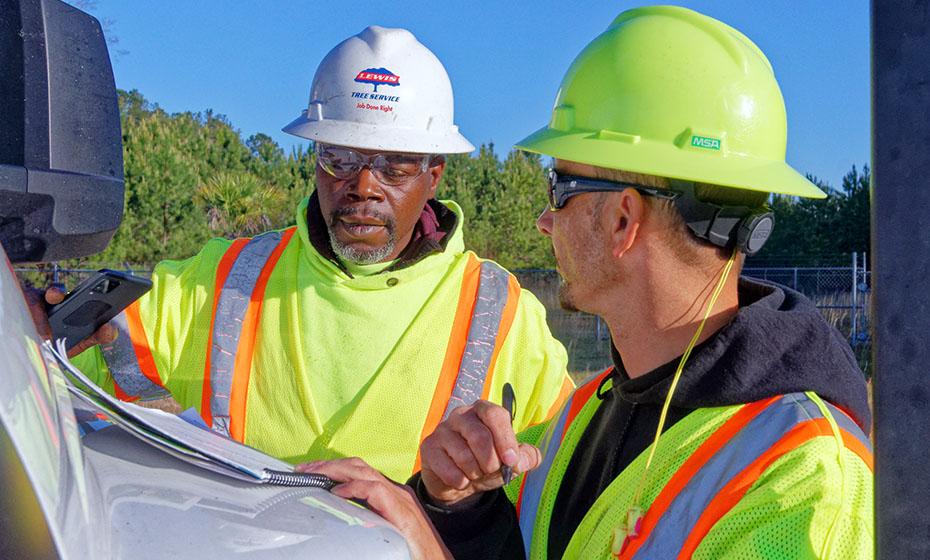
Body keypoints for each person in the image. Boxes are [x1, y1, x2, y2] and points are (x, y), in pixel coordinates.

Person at [303, 7, 874, 559]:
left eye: (561, 188)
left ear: (624, 219)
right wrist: (461, 508)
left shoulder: (803, 481)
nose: (545, 220)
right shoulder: (583, 419)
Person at [63, 25, 572, 482]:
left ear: (433, 174)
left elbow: (554, 474)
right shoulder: (224, 278)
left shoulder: (499, 312)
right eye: (341, 158)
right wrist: (47, 321)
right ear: (315, 157)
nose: (364, 186)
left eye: (395, 166)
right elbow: (84, 350)